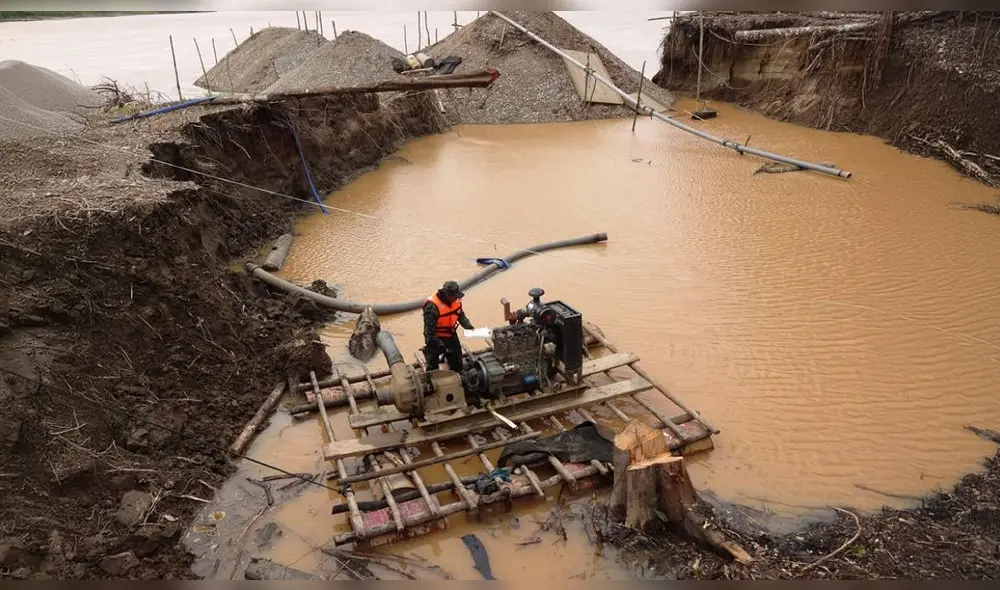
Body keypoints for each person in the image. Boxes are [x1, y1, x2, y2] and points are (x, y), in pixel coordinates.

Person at [423, 280, 474, 371]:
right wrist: (440, 346)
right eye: (454, 296)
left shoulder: (456, 300)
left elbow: (460, 314)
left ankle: (459, 375)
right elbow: (429, 332)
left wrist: (468, 326)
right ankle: (430, 380)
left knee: (457, 362)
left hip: (451, 335)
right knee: (432, 365)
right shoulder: (432, 307)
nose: (456, 299)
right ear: (447, 295)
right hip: (435, 338)